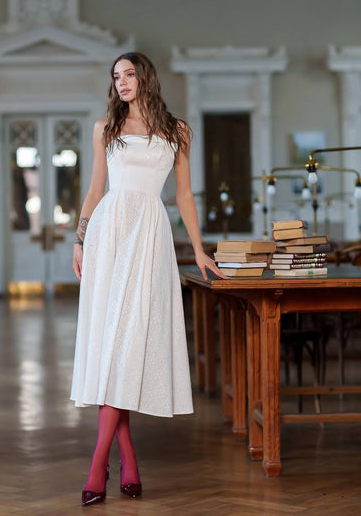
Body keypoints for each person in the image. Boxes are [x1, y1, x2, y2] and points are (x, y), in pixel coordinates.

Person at [70, 51, 227, 507]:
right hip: (109, 234)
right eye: (115, 76)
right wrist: (80, 241)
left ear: (145, 77)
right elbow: (96, 190)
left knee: (129, 343)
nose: (121, 82)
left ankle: (102, 460)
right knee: (111, 344)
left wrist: (199, 249)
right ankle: (122, 457)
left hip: (150, 237)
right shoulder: (106, 129)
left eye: (129, 74)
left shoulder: (177, 132)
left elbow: (183, 197)